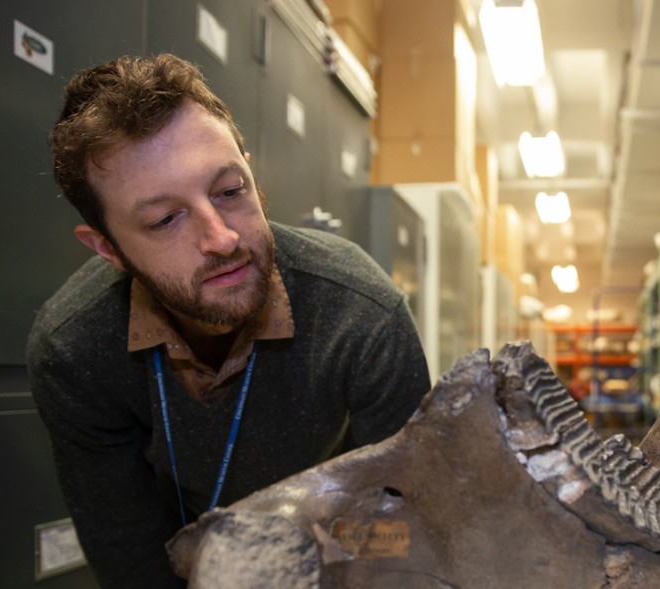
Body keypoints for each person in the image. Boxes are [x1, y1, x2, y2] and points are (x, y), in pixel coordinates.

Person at [28, 54, 431, 587]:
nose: (222, 238)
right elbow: (128, 555)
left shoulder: (362, 313)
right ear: (108, 249)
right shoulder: (74, 349)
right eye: (165, 219)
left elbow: (410, 535)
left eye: (229, 190)